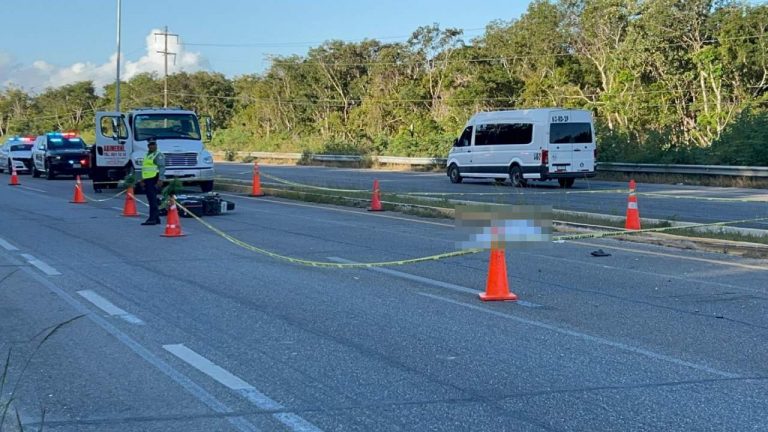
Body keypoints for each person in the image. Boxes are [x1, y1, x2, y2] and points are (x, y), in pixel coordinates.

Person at [139, 138, 166, 225]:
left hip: (154, 178)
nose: (152, 146)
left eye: (153, 144)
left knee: (152, 199)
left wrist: (160, 179)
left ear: (156, 146)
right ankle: (156, 218)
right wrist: (142, 179)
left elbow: (162, 167)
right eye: (150, 145)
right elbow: (145, 169)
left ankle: (152, 218)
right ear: (148, 146)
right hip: (148, 179)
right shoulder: (147, 155)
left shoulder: (158, 155)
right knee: (151, 199)